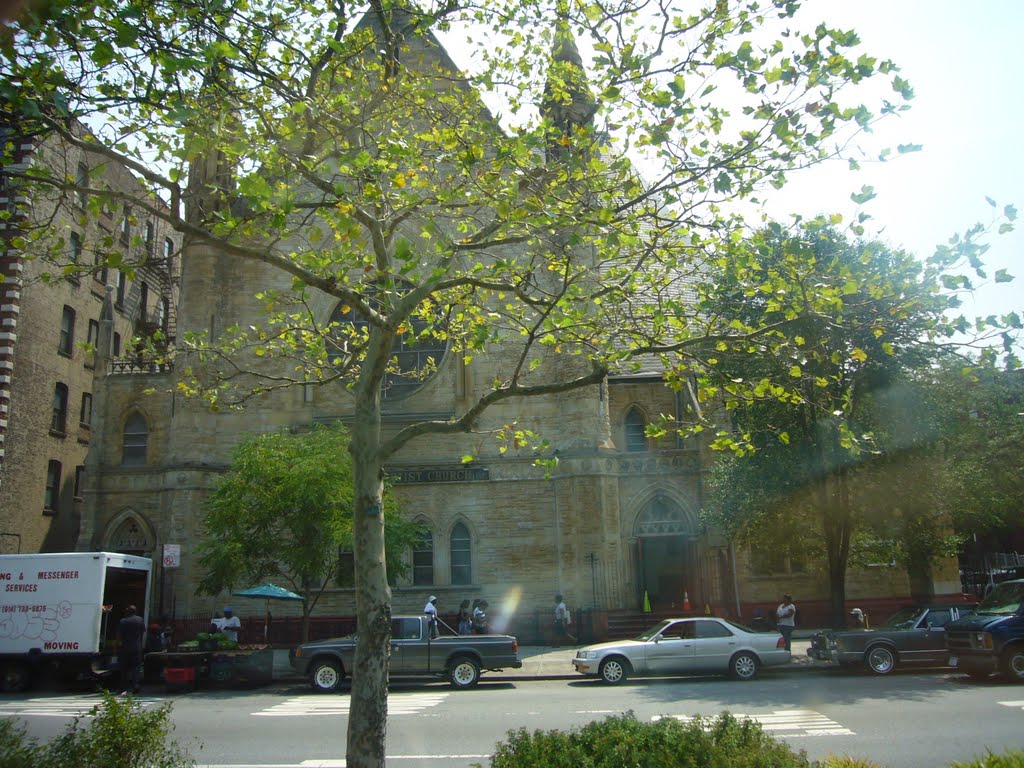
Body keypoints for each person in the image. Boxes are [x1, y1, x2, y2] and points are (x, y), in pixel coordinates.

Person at [117, 604, 146, 695]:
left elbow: (119, 636)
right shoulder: (139, 620)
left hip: (125, 648)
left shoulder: (123, 621)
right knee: (136, 668)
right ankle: (135, 686)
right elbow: (143, 631)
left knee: (124, 669)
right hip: (137, 647)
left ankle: (123, 689)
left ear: (127, 612)